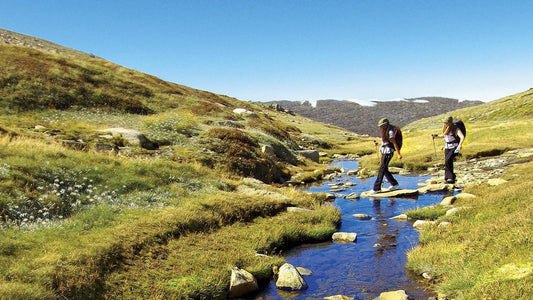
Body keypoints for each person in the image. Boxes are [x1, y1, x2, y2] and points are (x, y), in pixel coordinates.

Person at [370, 118, 402, 194]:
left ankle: (377, 188)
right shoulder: (385, 132)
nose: (381, 128)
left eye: (381, 126)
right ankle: (394, 184)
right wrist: (377, 144)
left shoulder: (390, 132)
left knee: (382, 169)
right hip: (385, 151)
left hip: (388, 152)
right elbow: (384, 143)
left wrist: (399, 154)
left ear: (385, 125)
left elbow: (394, 143)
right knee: (384, 169)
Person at [432, 116, 465, 184]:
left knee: (448, 160)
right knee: (447, 161)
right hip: (447, 147)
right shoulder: (446, 128)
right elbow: (443, 136)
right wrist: (435, 137)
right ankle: (447, 177)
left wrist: (460, 145)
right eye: (444, 122)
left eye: (446, 122)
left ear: (449, 123)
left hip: (455, 146)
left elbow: (462, 137)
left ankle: (451, 177)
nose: (445, 124)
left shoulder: (455, 128)